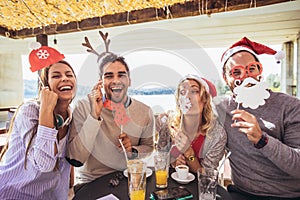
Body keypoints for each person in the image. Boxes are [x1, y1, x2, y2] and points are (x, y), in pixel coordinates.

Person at [66, 32, 155, 193]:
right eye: (108, 76)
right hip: (91, 182)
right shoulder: (83, 107)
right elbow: (75, 159)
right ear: (100, 81)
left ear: (129, 80)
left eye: (121, 75)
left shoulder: (145, 111)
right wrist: (94, 115)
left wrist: (133, 151)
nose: (116, 80)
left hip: (129, 179)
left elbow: (149, 147)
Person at [216, 37, 300, 199]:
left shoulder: (290, 106)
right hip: (242, 193)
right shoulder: (222, 108)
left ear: (260, 71)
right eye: (236, 72)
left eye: (252, 69)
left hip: (288, 195)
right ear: (226, 79)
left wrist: (262, 139)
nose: (247, 77)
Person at [0, 59, 77, 199]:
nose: (65, 78)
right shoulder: (29, 111)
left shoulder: (72, 117)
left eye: (69, 75)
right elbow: (45, 164)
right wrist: (46, 110)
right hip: (14, 194)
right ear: (45, 86)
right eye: (56, 76)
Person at [157, 74, 227, 173]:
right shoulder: (168, 125)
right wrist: (171, 160)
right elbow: (160, 158)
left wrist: (189, 153)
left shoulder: (217, 135)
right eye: (182, 92)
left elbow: (207, 176)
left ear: (205, 99)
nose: (187, 97)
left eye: (194, 91)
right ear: (178, 101)